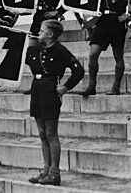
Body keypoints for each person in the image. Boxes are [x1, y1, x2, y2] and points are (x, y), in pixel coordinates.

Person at [26, 20, 84, 186]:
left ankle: (54, 173)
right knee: (42, 133)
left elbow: (78, 70)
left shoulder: (60, 50)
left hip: (50, 90)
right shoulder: (35, 48)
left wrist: (66, 87)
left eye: (42, 30)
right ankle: (45, 170)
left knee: (51, 133)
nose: (39, 31)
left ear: (50, 34)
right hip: (36, 89)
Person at [77, 0, 129, 96]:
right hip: (103, 21)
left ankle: (116, 87)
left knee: (118, 55)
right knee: (93, 54)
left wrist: (128, 16)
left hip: (117, 22)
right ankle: (91, 86)